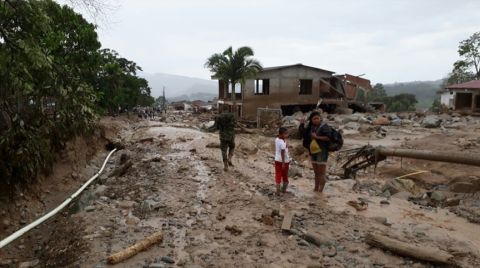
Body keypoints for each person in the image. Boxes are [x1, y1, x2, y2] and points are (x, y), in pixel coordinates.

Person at [299, 111, 330, 192]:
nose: (316, 120)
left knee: (321, 173)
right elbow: (303, 134)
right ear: (311, 120)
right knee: (316, 172)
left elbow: (328, 138)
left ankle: (321, 191)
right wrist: (301, 124)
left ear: (320, 119)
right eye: (314, 119)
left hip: (322, 152)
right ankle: (316, 188)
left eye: (317, 118)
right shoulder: (311, 127)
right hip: (313, 151)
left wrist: (317, 137)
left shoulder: (324, 127)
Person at [274, 127, 290, 195]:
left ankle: (278, 190)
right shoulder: (282, 143)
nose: (287, 135)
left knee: (278, 174)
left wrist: (287, 146)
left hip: (277, 160)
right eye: (285, 134)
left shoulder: (277, 139)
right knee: (285, 175)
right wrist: (283, 163)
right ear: (281, 134)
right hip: (284, 161)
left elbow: (282, 146)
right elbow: (282, 152)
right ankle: (284, 189)